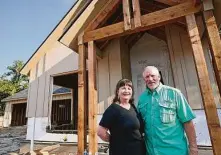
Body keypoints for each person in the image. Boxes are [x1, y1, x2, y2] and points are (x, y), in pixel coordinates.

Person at [137, 66, 198, 155]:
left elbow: (188, 122)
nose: (150, 79)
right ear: (144, 79)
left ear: (159, 77)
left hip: (174, 151)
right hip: (151, 152)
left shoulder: (174, 93)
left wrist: (193, 148)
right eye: (147, 77)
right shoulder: (142, 98)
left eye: (153, 76)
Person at [97, 79, 146, 155]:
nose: (126, 91)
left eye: (129, 88)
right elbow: (101, 132)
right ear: (117, 92)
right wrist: (115, 140)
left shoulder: (133, 107)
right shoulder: (113, 109)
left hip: (138, 150)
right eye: (123, 88)